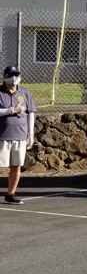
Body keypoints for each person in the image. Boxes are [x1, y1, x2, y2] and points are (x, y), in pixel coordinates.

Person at [0, 66, 35, 205]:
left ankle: (10, 194)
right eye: (11, 75)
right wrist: (11, 110)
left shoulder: (24, 92)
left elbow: (31, 112)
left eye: (17, 75)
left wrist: (30, 133)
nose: (14, 78)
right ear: (5, 76)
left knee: (16, 166)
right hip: (2, 136)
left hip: (20, 135)